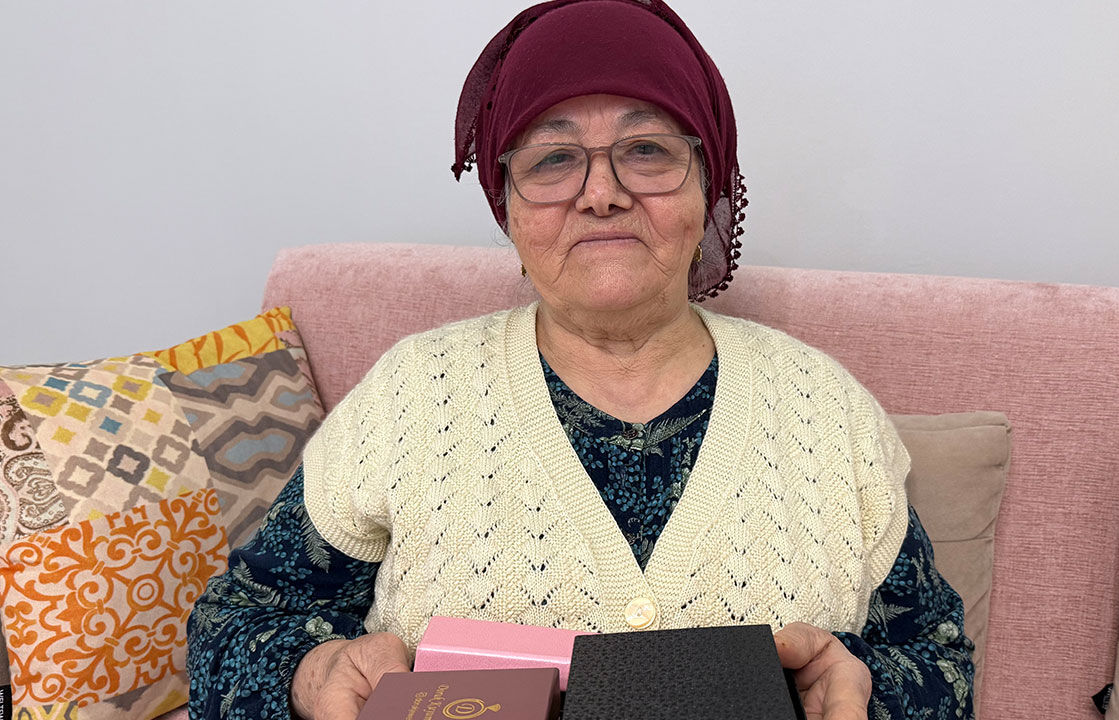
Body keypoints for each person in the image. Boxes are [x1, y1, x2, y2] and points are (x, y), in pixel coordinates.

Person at [186, 2, 975, 719]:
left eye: (647, 149)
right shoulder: (411, 394)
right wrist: (313, 674)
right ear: (507, 207)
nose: (602, 193)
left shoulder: (827, 409)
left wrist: (865, 688)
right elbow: (239, 625)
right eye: (553, 159)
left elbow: (939, 658)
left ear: (708, 188)